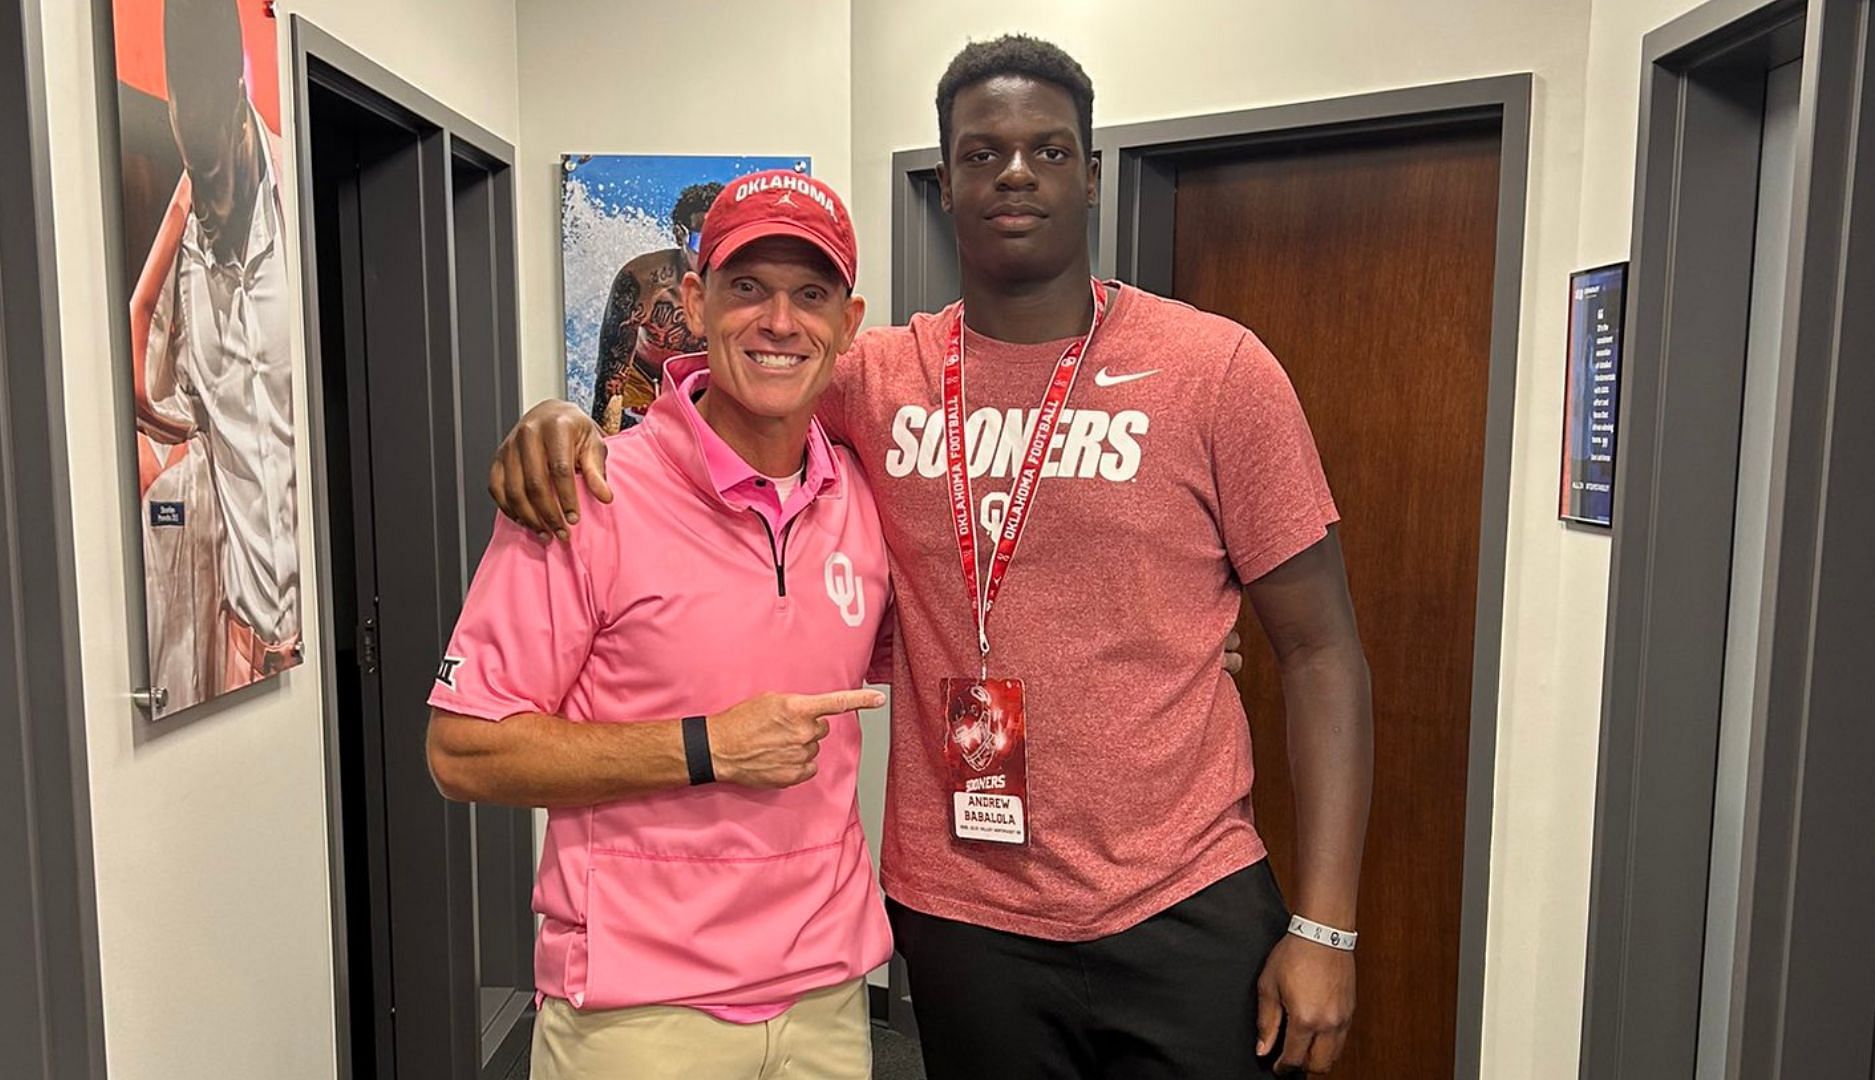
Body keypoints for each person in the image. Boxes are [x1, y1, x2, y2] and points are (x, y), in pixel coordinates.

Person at [493, 36, 1373, 1078]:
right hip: (961, 915)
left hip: (1180, 898)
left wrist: (1326, 928)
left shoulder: (1216, 370)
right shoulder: (874, 375)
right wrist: (557, 419)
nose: (1014, 172)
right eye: (982, 152)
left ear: (1092, 176)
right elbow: (717, 377)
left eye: (1048, 152)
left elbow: (1323, 655)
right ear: (946, 179)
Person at [428, 170, 893, 1079]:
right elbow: (462, 752)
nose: (778, 322)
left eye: (811, 294)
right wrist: (704, 747)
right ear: (693, 297)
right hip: (637, 1019)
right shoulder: (590, 494)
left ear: (849, 320)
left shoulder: (862, 503)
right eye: (747, 287)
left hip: (827, 1002)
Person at [131, 0, 301, 701]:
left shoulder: (300, 214)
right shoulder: (183, 260)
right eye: (192, 175)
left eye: (216, 176)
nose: (209, 204)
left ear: (239, 115)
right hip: (236, 655)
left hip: (317, 640)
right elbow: (139, 385)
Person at [589, 181, 725, 431]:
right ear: (679, 235)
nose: (712, 254)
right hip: (641, 381)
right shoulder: (643, 281)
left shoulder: (740, 286)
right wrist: (603, 457)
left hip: (700, 384)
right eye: (702, 241)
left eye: (722, 241)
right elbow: (611, 380)